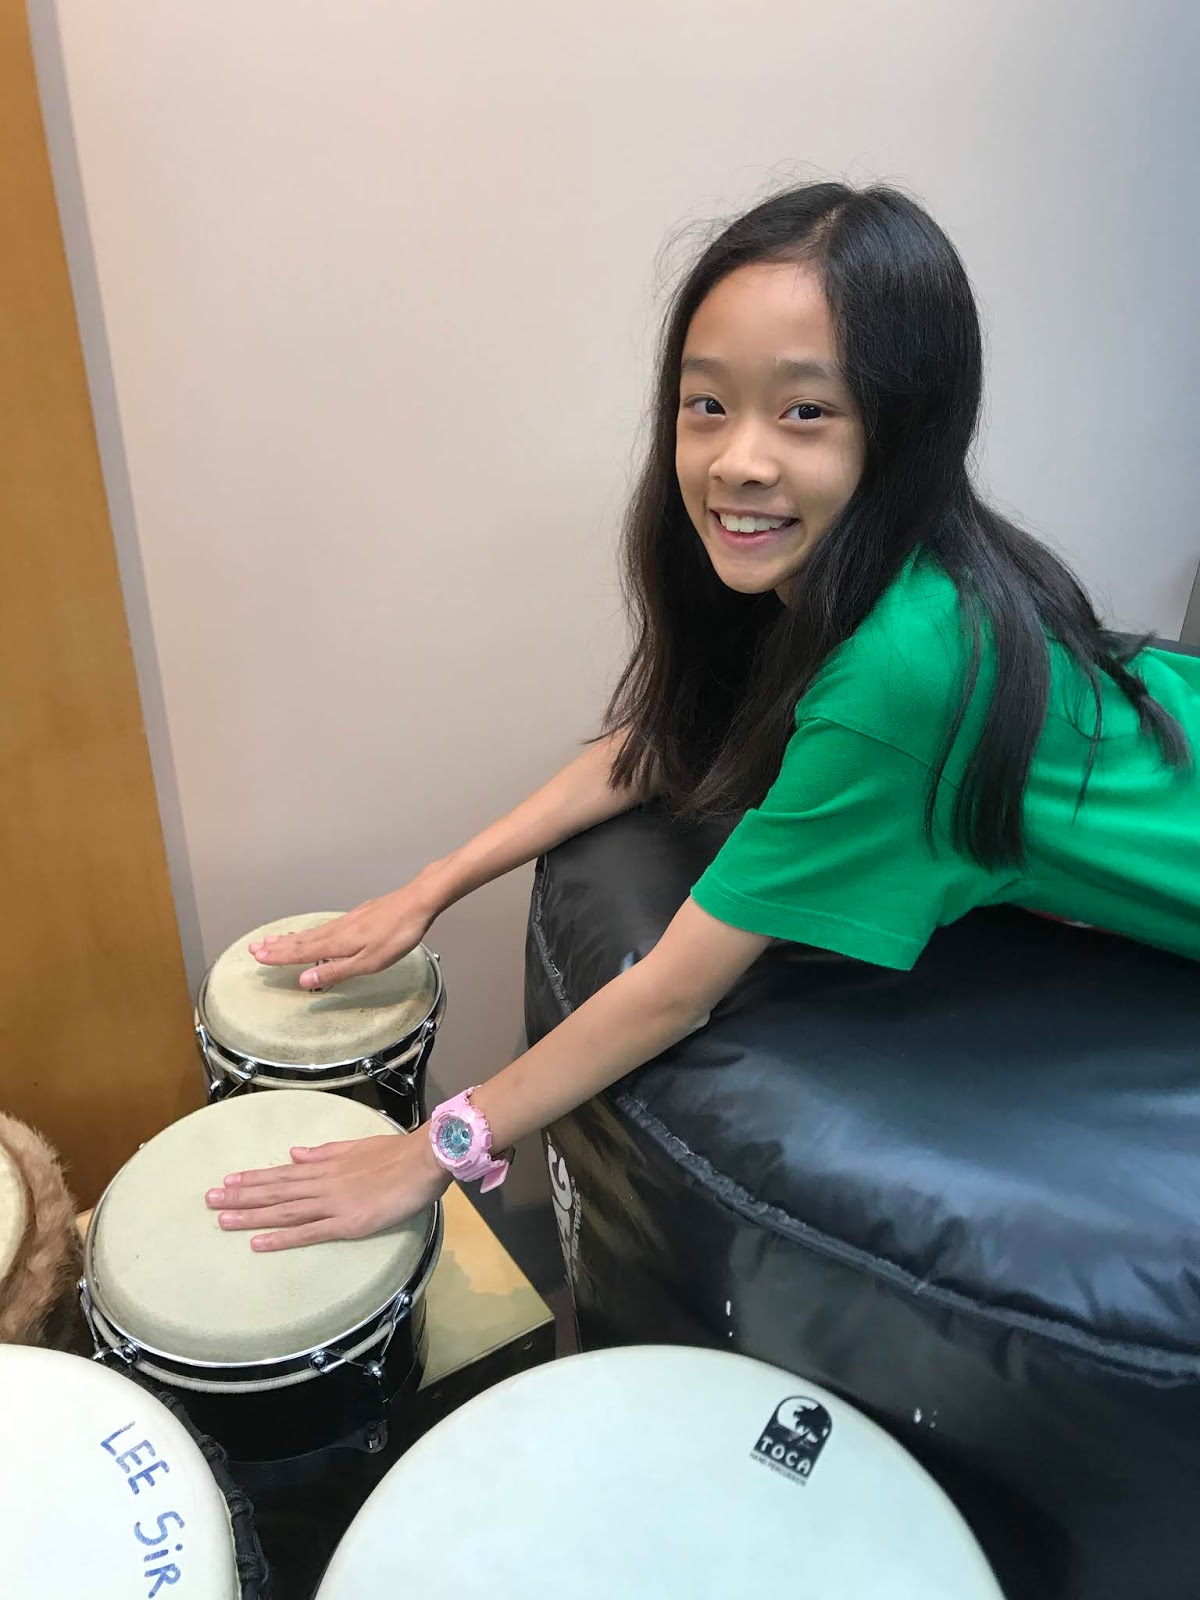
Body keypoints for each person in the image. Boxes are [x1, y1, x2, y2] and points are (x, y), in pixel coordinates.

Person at [205, 181, 1200, 1252]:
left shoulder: (905, 667)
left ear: (905, 427)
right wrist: (427, 889)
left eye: (806, 411)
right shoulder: (837, 570)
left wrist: (431, 1152)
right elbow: (660, 742)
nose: (738, 460)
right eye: (708, 404)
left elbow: (673, 994)